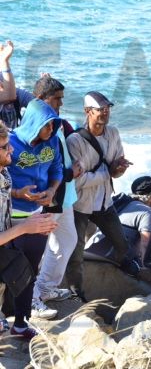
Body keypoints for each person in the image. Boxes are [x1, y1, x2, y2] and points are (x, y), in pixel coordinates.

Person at [66, 91, 140, 301]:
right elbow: (78, 181)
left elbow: (116, 166)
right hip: (81, 204)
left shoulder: (113, 133)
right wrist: (108, 173)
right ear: (87, 112)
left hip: (105, 201)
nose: (105, 113)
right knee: (76, 252)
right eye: (100, 109)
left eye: (107, 109)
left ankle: (121, 264)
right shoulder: (75, 141)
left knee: (121, 243)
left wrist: (119, 169)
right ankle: (76, 291)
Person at [0, 118, 58, 340]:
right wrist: (25, 227)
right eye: (5, 147)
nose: (12, 150)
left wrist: (19, 194)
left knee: (25, 273)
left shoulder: (4, 173)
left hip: (5, 240)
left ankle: (20, 324)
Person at [31, 75, 82, 316]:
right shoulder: (37, 126)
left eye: (62, 98)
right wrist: (71, 173)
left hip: (64, 196)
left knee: (67, 240)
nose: (61, 103)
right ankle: (32, 300)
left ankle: (46, 287)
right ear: (41, 99)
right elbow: (41, 164)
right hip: (48, 197)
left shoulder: (56, 122)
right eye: (56, 99)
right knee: (34, 251)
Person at [8, 98, 63, 320]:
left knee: (30, 270)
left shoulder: (53, 141)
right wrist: (17, 193)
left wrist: (51, 190)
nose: (50, 129)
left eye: (53, 124)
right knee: (9, 271)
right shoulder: (9, 142)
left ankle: (23, 320)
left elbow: (57, 169)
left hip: (38, 215)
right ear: (33, 122)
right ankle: (7, 315)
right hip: (11, 217)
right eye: (46, 125)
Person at [117, 176, 151, 262]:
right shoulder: (146, 212)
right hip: (114, 260)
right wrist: (146, 266)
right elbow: (145, 245)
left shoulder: (122, 204)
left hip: (94, 251)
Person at [0, 40, 33, 129]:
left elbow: (37, 104)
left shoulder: (17, 93)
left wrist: (47, 91)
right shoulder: (11, 94)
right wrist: (4, 61)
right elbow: (9, 95)